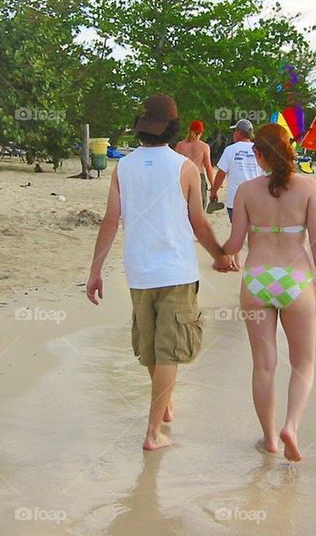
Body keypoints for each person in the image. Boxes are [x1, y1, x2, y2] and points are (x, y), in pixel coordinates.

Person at [86, 94, 237, 451]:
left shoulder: (123, 167)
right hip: (176, 271)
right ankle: (153, 433)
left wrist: (95, 271)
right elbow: (198, 222)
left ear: (141, 128)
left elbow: (110, 221)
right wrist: (220, 255)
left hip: (139, 271)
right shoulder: (184, 168)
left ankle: (164, 402)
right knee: (168, 350)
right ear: (172, 128)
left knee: (151, 346)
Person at [221, 123, 316, 461]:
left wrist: (217, 254)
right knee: (303, 363)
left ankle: (270, 439)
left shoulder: (246, 191)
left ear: (258, 155)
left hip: (257, 279)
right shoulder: (310, 187)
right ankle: (291, 428)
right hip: (295, 280)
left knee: (264, 365)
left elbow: (234, 244)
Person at [211, 119, 262, 222]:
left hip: (235, 200)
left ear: (239, 133)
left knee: (237, 230)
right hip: (255, 200)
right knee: (253, 230)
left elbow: (221, 174)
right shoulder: (259, 150)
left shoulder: (230, 150)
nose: (233, 134)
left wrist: (214, 191)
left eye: (234, 131)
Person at [174, 120, 215, 211]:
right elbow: (208, 167)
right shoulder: (204, 146)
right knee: (199, 206)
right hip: (198, 176)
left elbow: (175, 165)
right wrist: (213, 185)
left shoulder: (180, 145)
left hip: (183, 177)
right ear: (201, 132)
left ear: (189, 130)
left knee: (184, 206)